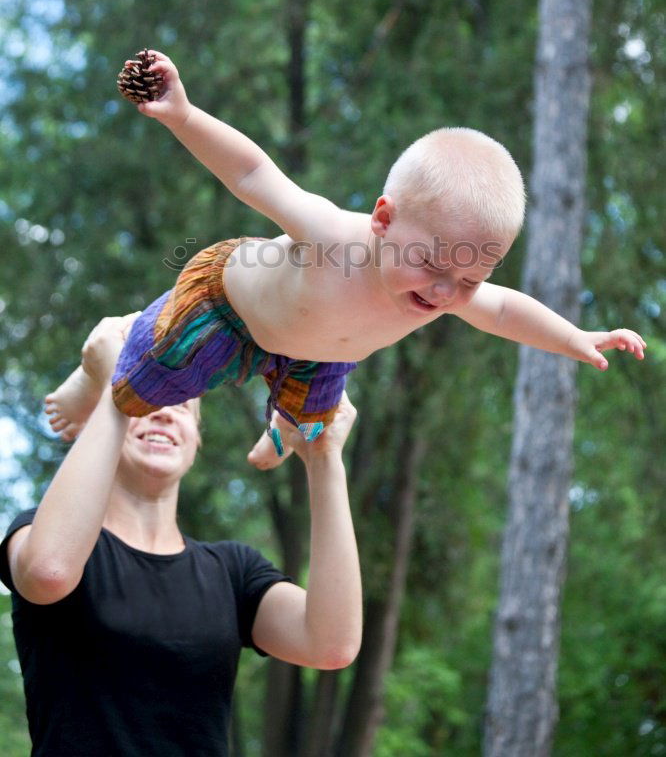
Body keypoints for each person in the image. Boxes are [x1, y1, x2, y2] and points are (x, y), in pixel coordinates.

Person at [45, 50, 646, 466]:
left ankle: (283, 426)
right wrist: (182, 114)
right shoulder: (332, 235)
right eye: (431, 266)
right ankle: (100, 362)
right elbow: (253, 173)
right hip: (226, 309)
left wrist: (576, 338)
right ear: (383, 220)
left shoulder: (450, 288)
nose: (443, 293)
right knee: (145, 385)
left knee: (313, 424)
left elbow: (508, 312)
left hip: (312, 356)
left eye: (468, 279)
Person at [0, 315, 362, 757]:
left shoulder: (232, 572)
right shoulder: (43, 533)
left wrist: (324, 455)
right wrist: (120, 389)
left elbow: (331, 644)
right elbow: (48, 572)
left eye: (183, 405)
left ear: (197, 441)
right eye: (148, 400)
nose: (165, 412)